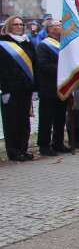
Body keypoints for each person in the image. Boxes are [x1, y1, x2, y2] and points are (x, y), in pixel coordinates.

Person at [0, 16, 38, 161]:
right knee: (11, 121)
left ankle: (23, 149)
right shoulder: (3, 44)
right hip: (10, 90)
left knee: (24, 120)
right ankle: (13, 151)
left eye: (21, 24)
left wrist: (35, 88)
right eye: (16, 24)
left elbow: (35, 67)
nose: (19, 27)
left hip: (25, 88)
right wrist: (4, 89)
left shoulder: (27, 44)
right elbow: (2, 69)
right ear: (9, 26)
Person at [34, 17, 70, 156]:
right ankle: (44, 145)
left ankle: (58, 142)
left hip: (62, 86)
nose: (61, 27)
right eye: (58, 25)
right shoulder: (43, 46)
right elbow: (42, 66)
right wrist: (62, 68)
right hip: (48, 87)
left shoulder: (62, 44)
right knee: (46, 118)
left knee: (60, 116)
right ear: (50, 29)